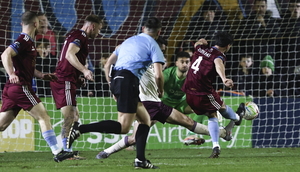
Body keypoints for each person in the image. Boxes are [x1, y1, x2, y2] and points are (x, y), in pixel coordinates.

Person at [95, 38, 235, 159]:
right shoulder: (157, 68)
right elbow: (155, 78)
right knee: (134, 136)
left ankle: (221, 133)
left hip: (168, 104)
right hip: (154, 103)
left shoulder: (182, 71)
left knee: (192, 117)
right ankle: (109, 151)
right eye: (161, 50)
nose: (162, 55)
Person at [67, 17, 164, 169]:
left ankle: (140, 160)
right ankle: (80, 129)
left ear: (143, 28)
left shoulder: (128, 41)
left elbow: (107, 65)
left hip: (118, 79)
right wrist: (160, 89)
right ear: (159, 32)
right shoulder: (154, 45)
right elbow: (158, 74)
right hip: (129, 81)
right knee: (124, 127)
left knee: (145, 120)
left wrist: (112, 85)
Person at [0, 11, 74, 162]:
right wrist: (11, 74)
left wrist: (41, 75)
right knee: (43, 116)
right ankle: (57, 152)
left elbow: (27, 67)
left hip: (12, 89)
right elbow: (5, 54)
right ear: (35, 24)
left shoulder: (29, 41)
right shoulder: (25, 39)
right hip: (20, 86)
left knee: (1, 126)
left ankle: (57, 151)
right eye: (40, 22)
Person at [182, 31, 245, 158]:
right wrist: (224, 79)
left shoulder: (200, 48)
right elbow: (218, 65)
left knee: (212, 113)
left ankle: (220, 142)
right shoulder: (218, 55)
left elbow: (198, 43)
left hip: (188, 91)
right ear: (228, 46)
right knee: (218, 109)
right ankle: (237, 118)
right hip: (203, 91)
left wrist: (201, 40)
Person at [49, 14, 103, 159]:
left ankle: (68, 150)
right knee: (70, 117)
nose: (98, 33)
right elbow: (69, 55)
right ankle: (65, 151)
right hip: (64, 79)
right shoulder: (81, 36)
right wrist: (85, 71)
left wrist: (78, 75)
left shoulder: (75, 34)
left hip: (68, 79)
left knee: (75, 117)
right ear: (92, 26)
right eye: (98, 29)